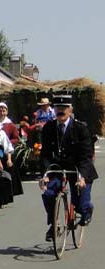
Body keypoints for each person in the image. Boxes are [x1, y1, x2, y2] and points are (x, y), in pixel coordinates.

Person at [40, 95, 97, 241]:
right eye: (58, 108)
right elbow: (45, 154)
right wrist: (45, 174)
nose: (61, 111)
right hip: (58, 168)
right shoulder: (49, 128)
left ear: (70, 109)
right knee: (48, 194)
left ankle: (86, 210)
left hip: (79, 168)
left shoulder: (80, 128)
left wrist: (82, 176)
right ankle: (54, 224)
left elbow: (86, 155)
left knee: (80, 204)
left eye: (64, 108)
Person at [0, 102, 24, 196]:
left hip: (7, 150)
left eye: (3, 111)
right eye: (0, 110)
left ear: (6, 112)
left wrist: (7, 143)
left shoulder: (10, 125)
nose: (2, 113)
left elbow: (16, 138)